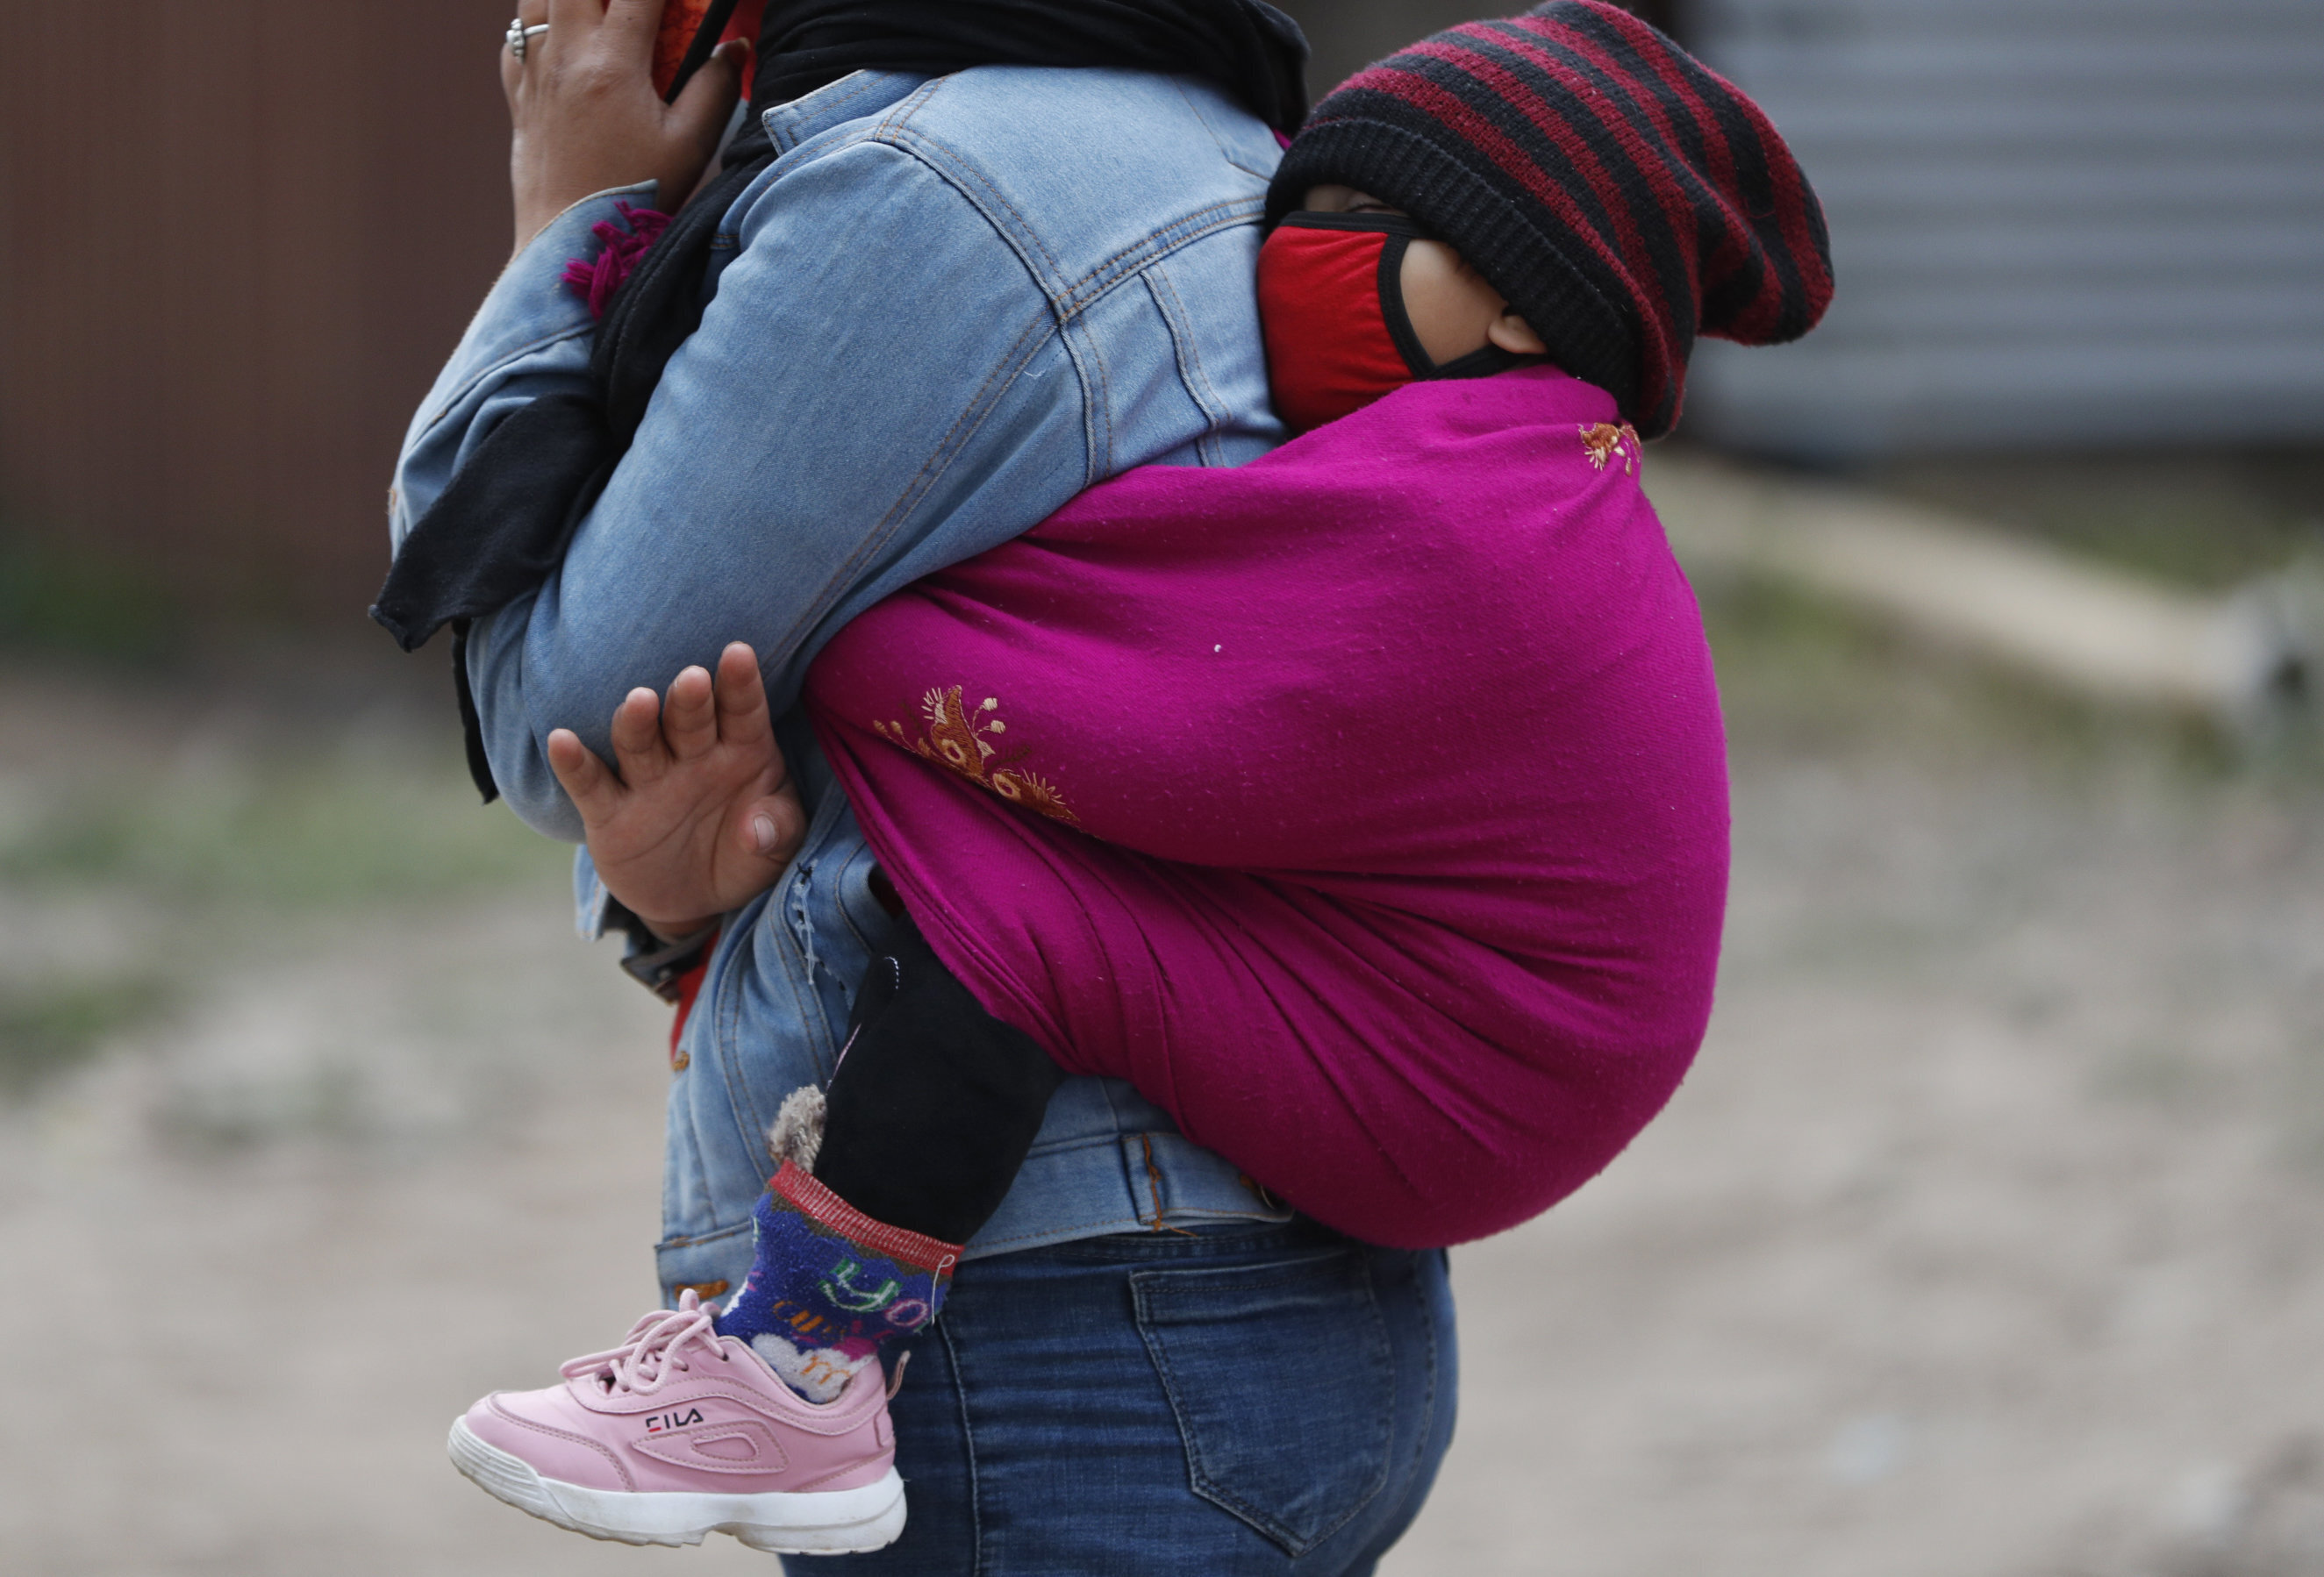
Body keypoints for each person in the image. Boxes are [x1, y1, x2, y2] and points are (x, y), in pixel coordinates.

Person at [416, 3, 1830, 1566]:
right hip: (1317, 1283)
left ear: (1514, 306)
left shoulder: (1467, 502)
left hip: (1218, 1257)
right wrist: (701, 891)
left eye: (1354, 227)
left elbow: (1125, 693)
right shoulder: (1240, 171)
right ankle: (791, 1363)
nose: (1288, 248)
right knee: (1030, 888)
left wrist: (575, 223)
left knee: (1022, 909)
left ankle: (799, 1363)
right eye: (1308, 209)